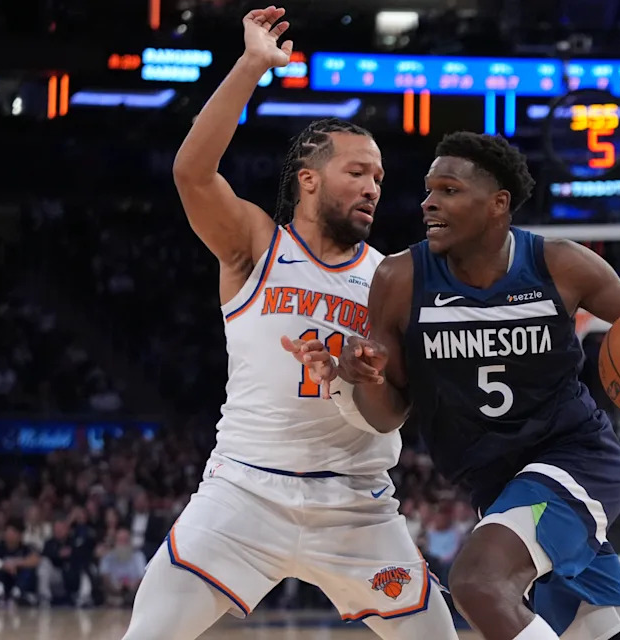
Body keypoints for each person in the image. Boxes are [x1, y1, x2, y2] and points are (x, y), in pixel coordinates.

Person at [295, 132, 620, 640]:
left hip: (573, 461)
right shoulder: (401, 278)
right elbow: (389, 415)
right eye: (429, 190)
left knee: (478, 582)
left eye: (449, 190)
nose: (428, 202)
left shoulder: (559, 265)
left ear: (498, 204)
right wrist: (362, 377)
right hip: (498, 488)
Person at [121, 7, 457, 640]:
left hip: (358, 503)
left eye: (379, 177)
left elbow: (398, 407)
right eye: (356, 171)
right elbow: (192, 172)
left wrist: (364, 378)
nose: (372, 187)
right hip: (245, 493)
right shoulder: (255, 245)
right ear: (308, 180)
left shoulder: (393, 278)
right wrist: (251, 65)